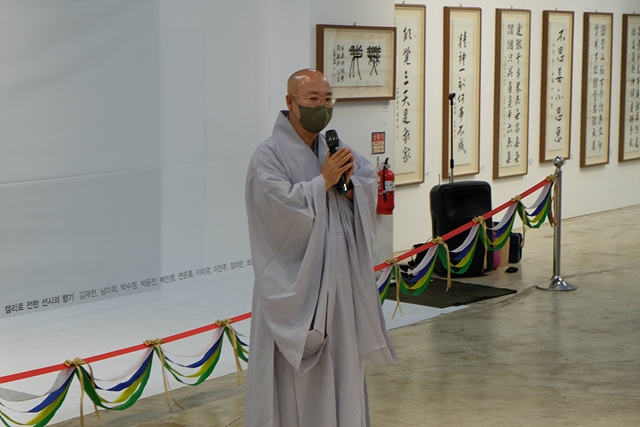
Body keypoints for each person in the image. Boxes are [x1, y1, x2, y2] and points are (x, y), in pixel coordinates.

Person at [244, 68, 396, 426]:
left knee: (340, 359)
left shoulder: (334, 148)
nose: (322, 106)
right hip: (296, 283)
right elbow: (275, 209)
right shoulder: (268, 155)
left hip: (338, 280)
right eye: (313, 99)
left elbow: (367, 183)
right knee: (288, 379)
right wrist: (322, 182)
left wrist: (349, 186)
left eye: (328, 99)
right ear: (290, 102)